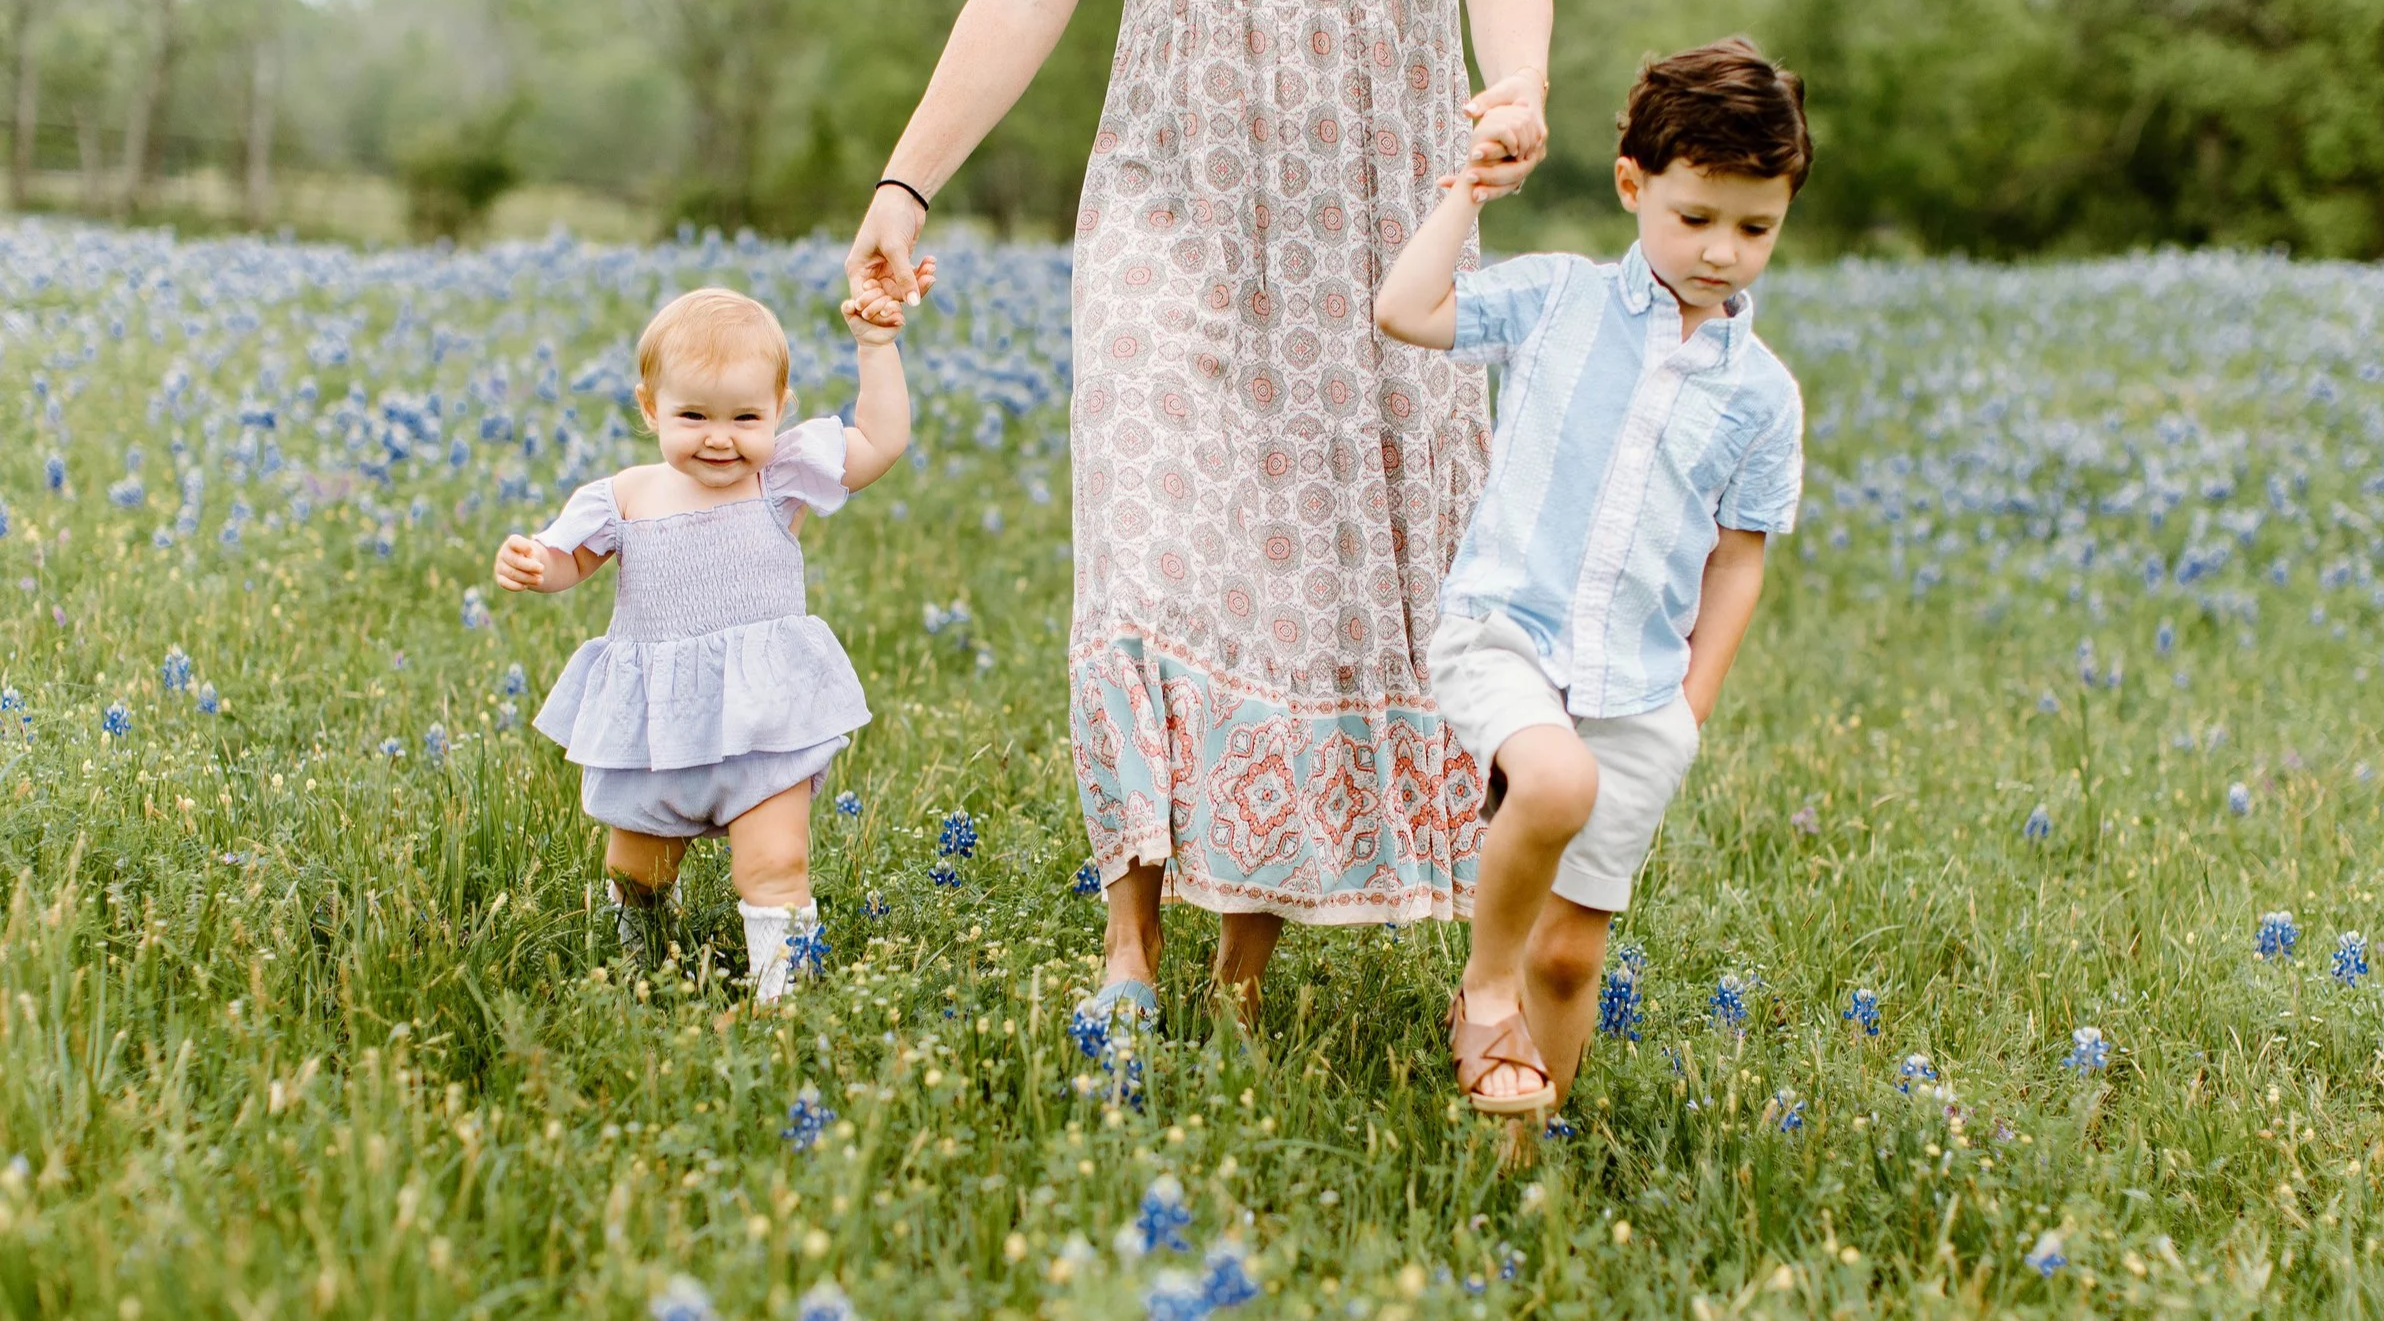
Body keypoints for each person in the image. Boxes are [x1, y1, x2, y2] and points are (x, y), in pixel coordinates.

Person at [847, 1, 1553, 1030]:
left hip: (1374, 190)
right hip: (1177, 175)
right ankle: (1128, 938)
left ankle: (1241, 963)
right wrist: (906, 182)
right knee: (1146, 530)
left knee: (1302, 578)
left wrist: (1519, 84)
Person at [1374, 37, 1812, 1114]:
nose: (1721, 251)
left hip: (1639, 688)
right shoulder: (1555, 299)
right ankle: (1482, 989)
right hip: (1505, 633)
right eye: (1695, 217)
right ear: (1632, 185)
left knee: (1570, 956)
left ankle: (1523, 1138)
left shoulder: (1763, 395)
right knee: (1553, 785)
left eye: (1755, 227)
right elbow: (1406, 310)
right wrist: (1466, 197)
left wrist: (1689, 709)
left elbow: (1738, 559)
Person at [493, 275, 934, 1003]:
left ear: (779, 413)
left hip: (763, 723)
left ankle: (782, 997)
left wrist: (876, 347)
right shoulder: (622, 494)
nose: (721, 438)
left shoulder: (779, 481)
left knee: (777, 861)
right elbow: (570, 560)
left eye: (745, 417)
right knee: (637, 870)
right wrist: (536, 563)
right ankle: (637, 966)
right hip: (654, 728)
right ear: (649, 407)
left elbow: (881, 441)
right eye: (693, 414)